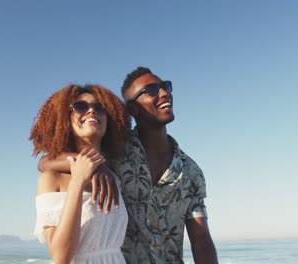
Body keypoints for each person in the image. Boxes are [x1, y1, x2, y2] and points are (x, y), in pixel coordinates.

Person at [40, 67, 219, 264]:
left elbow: (201, 240)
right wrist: (97, 167)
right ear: (133, 109)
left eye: (165, 86)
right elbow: (46, 162)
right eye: (151, 89)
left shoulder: (190, 171)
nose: (164, 92)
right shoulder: (115, 154)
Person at [29, 84, 130, 263]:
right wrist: (77, 181)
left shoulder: (112, 177)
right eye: (81, 106)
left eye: (100, 108)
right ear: (65, 119)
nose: (91, 110)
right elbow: (61, 257)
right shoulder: (52, 178)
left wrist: (98, 166)